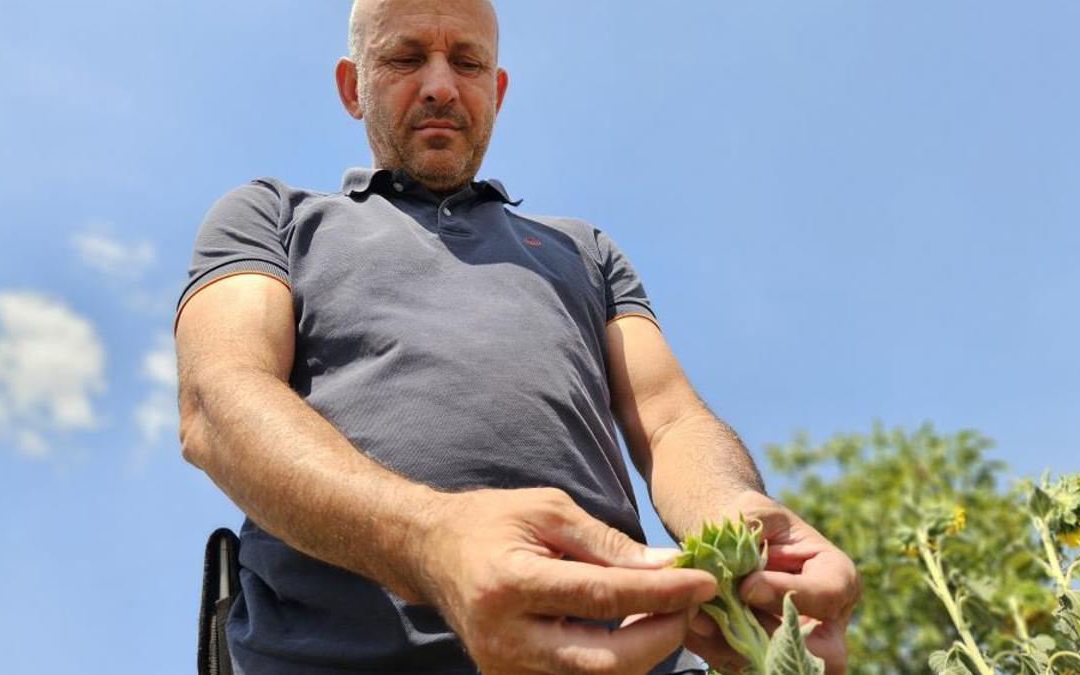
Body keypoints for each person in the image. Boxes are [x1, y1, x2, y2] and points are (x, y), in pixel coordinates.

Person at [174, 0, 860, 672]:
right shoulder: (272, 217)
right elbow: (220, 396)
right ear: (353, 86)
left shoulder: (585, 251)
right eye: (406, 57)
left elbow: (670, 418)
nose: (441, 85)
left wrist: (738, 520)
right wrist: (428, 539)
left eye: (467, 61)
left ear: (496, 90)